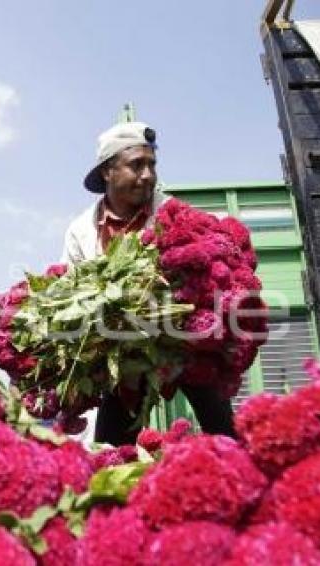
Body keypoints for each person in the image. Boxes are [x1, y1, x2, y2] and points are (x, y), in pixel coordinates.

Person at [62, 121, 236, 445]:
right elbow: (73, 292)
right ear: (107, 173)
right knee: (112, 445)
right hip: (126, 346)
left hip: (186, 341)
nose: (147, 175)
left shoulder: (174, 214)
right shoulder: (81, 230)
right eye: (136, 165)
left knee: (223, 428)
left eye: (151, 164)